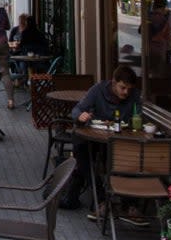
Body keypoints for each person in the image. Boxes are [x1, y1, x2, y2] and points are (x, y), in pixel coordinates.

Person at [59, 65, 142, 211]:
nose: (126, 92)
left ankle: (127, 203)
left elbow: (137, 118)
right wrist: (80, 116)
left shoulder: (134, 95)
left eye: (129, 89)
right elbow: (77, 109)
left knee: (126, 158)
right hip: (94, 138)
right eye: (123, 88)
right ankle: (101, 197)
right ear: (113, 82)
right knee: (82, 151)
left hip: (119, 140)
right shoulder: (98, 90)